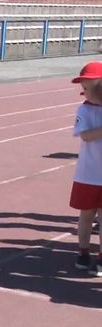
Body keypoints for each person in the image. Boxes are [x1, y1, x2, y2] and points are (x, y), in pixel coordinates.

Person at [69, 61, 102, 277]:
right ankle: (83, 251)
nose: (84, 92)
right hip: (88, 174)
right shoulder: (85, 109)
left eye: (89, 87)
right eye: (84, 87)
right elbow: (86, 135)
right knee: (86, 215)